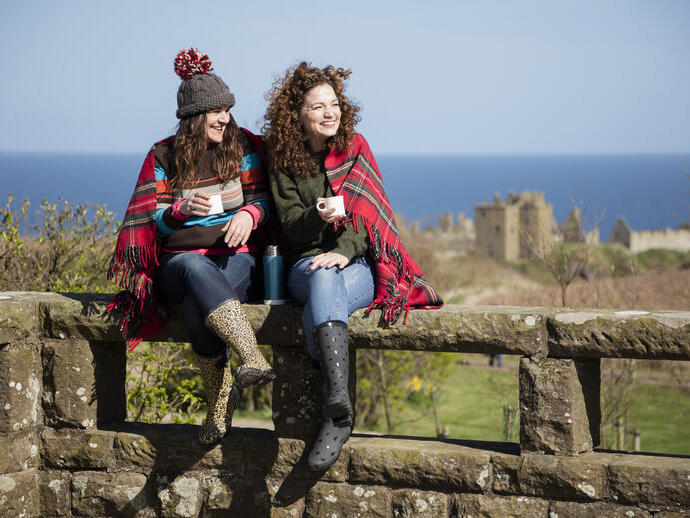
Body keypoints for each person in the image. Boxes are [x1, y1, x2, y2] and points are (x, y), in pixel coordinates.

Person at [264, 62, 443, 470]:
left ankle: (336, 407)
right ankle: (339, 406)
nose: (330, 113)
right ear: (298, 115)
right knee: (322, 275)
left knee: (330, 279)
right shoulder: (283, 160)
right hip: (303, 267)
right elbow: (292, 227)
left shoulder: (355, 147)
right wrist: (319, 216)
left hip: (358, 266)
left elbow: (369, 218)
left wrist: (344, 250)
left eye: (334, 104)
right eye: (317, 106)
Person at [107, 49, 274, 446]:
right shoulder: (163, 155)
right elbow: (154, 223)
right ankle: (251, 356)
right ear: (193, 117)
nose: (225, 119)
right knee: (195, 271)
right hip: (178, 265)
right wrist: (179, 211)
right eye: (216, 112)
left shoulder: (243, 147)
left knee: (202, 304)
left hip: (236, 260)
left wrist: (250, 214)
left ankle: (218, 403)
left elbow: (265, 200)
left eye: (228, 109)